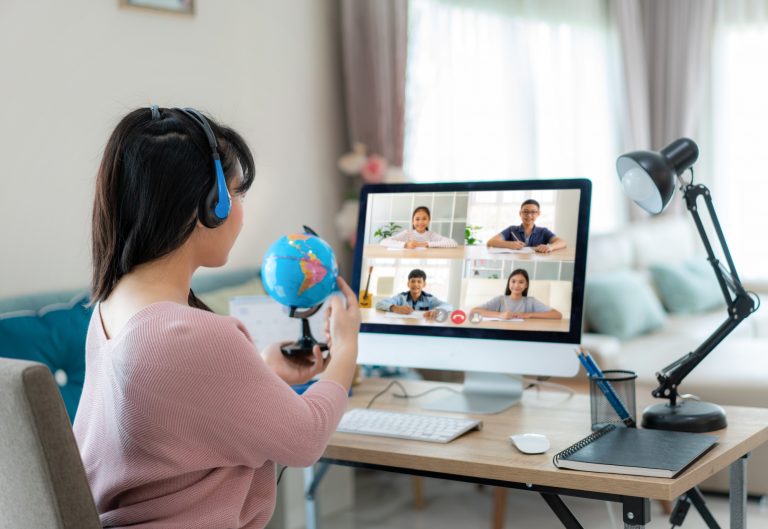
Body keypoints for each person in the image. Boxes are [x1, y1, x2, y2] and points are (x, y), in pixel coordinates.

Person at [73, 106, 360, 529]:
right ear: (212, 207)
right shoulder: (191, 334)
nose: (240, 207)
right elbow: (307, 439)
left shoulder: (109, 309)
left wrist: (260, 373)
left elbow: (166, 429)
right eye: (237, 193)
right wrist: (347, 348)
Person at [470, 269, 562, 320]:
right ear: (509, 283)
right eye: (513, 281)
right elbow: (474, 311)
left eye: (521, 282)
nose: (516, 285)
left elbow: (557, 315)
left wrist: (529, 315)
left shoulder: (530, 301)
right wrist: (499, 315)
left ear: (526, 285)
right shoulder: (500, 299)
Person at [486, 199, 566, 253]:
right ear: (520, 213)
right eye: (525, 212)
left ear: (538, 214)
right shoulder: (512, 230)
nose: (529, 215)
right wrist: (510, 244)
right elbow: (490, 242)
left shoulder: (543, 231)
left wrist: (550, 247)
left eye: (533, 212)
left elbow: (562, 242)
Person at [375, 268, 452, 319]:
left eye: (419, 281)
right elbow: (379, 304)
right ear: (408, 284)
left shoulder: (429, 299)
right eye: (413, 281)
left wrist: (436, 310)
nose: (415, 284)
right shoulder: (401, 297)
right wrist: (394, 308)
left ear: (424, 284)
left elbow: (449, 306)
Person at [380, 206, 459, 248]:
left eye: (424, 219)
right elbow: (384, 242)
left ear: (429, 220)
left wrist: (424, 244)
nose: (421, 222)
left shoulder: (431, 235)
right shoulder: (407, 233)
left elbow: (453, 243)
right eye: (417, 219)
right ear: (412, 221)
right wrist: (406, 245)